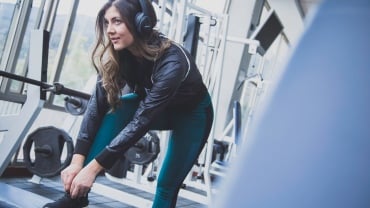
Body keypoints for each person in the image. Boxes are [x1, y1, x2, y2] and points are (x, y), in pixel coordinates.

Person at [43, 0, 214, 207]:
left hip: (192, 115)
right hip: (157, 109)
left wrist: (94, 168)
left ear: (142, 23)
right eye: (107, 23)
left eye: (117, 21)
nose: (110, 30)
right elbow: (95, 107)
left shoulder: (173, 61)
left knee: (166, 185)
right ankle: (75, 198)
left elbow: (141, 121)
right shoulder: (119, 55)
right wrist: (77, 161)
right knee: (115, 110)